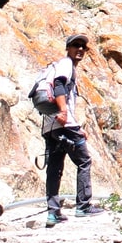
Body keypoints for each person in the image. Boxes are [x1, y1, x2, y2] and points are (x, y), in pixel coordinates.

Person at [32, 34, 98, 224]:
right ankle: (84, 206)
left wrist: (75, 123)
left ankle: (53, 212)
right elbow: (59, 84)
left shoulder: (58, 65)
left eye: (83, 47)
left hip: (50, 126)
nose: (80, 49)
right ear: (67, 48)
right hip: (63, 123)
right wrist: (63, 113)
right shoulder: (66, 64)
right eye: (76, 45)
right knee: (84, 161)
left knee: (55, 168)